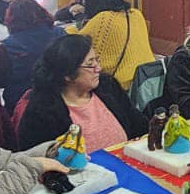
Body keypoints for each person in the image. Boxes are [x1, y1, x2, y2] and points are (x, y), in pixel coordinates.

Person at [16, 35, 146, 151]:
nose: (98, 68)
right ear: (67, 74)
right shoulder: (43, 111)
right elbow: (38, 161)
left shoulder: (107, 86)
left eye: (96, 60)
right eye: (90, 64)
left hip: (129, 165)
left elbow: (139, 126)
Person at [64, 0, 155, 89]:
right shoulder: (135, 13)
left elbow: (76, 40)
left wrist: (74, 19)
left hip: (122, 84)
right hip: (148, 76)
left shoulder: (103, 19)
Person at [0, 0, 65, 111]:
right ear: (42, 12)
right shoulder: (61, 34)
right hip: (62, 99)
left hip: (22, 107)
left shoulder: (7, 47)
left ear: (10, 20)